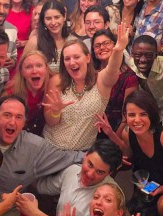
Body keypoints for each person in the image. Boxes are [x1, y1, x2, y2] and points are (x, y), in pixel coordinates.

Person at [95, 90, 163, 216]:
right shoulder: (128, 133)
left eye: (143, 114)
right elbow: (128, 154)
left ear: (152, 115)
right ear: (125, 116)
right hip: (148, 186)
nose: (137, 120)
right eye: (131, 115)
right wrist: (111, 134)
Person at [42, 22, 129, 151]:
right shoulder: (57, 81)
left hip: (81, 153)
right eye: (67, 59)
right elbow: (50, 122)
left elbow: (113, 68)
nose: (72, 62)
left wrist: (118, 50)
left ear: (88, 58)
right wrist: (55, 112)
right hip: (50, 147)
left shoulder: (101, 80)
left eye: (76, 57)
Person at [91, 29, 138, 135]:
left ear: (115, 45)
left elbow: (126, 116)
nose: (102, 48)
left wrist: (115, 138)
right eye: (97, 46)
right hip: (91, 127)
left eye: (106, 43)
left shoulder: (129, 77)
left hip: (115, 129)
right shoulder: (90, 73)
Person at [8, 50, 50, 136]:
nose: (34, 71)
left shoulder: (51, 86)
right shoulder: (11, 92)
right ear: (22, 72)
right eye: (28, 67)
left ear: (46, 68)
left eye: (39, 65)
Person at [24, 0, 70, 73]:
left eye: (57, 17)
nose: (53, 22)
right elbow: (23, 69)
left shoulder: (72, 41)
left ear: (64, 17)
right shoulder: (35, 42)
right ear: (43, 20)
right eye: (48, 19)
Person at [5, 0, 35, 66]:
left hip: (25, 58)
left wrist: (23, 43)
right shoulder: (2, 9)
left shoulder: (33, 11)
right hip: (4, 58)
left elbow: (39, 38)